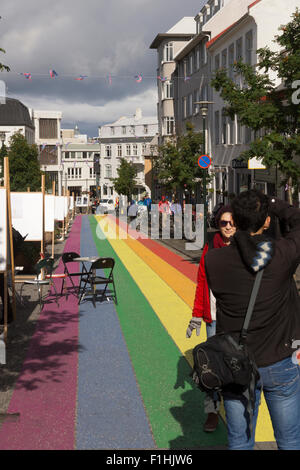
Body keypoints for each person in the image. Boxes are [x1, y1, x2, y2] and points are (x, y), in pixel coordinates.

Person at [204, 190, 300, 450]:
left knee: (240, 441)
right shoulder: (281, 255)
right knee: (290, 441)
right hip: (281, 359)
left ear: (233, 219)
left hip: (236, 364)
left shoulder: (214, 260)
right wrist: (273, 203)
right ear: (266, 221)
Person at [186, 205, 236, 432]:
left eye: (232, 223)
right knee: (211, 368)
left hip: (235, 319)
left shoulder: (243, 248)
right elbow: (202, 282)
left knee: (236, 366)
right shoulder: (210, 247)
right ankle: (213, 412)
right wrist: (197, 315)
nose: (228, 227)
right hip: (213, 316)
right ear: (218, 224)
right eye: (224, 223)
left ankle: (237, 410)